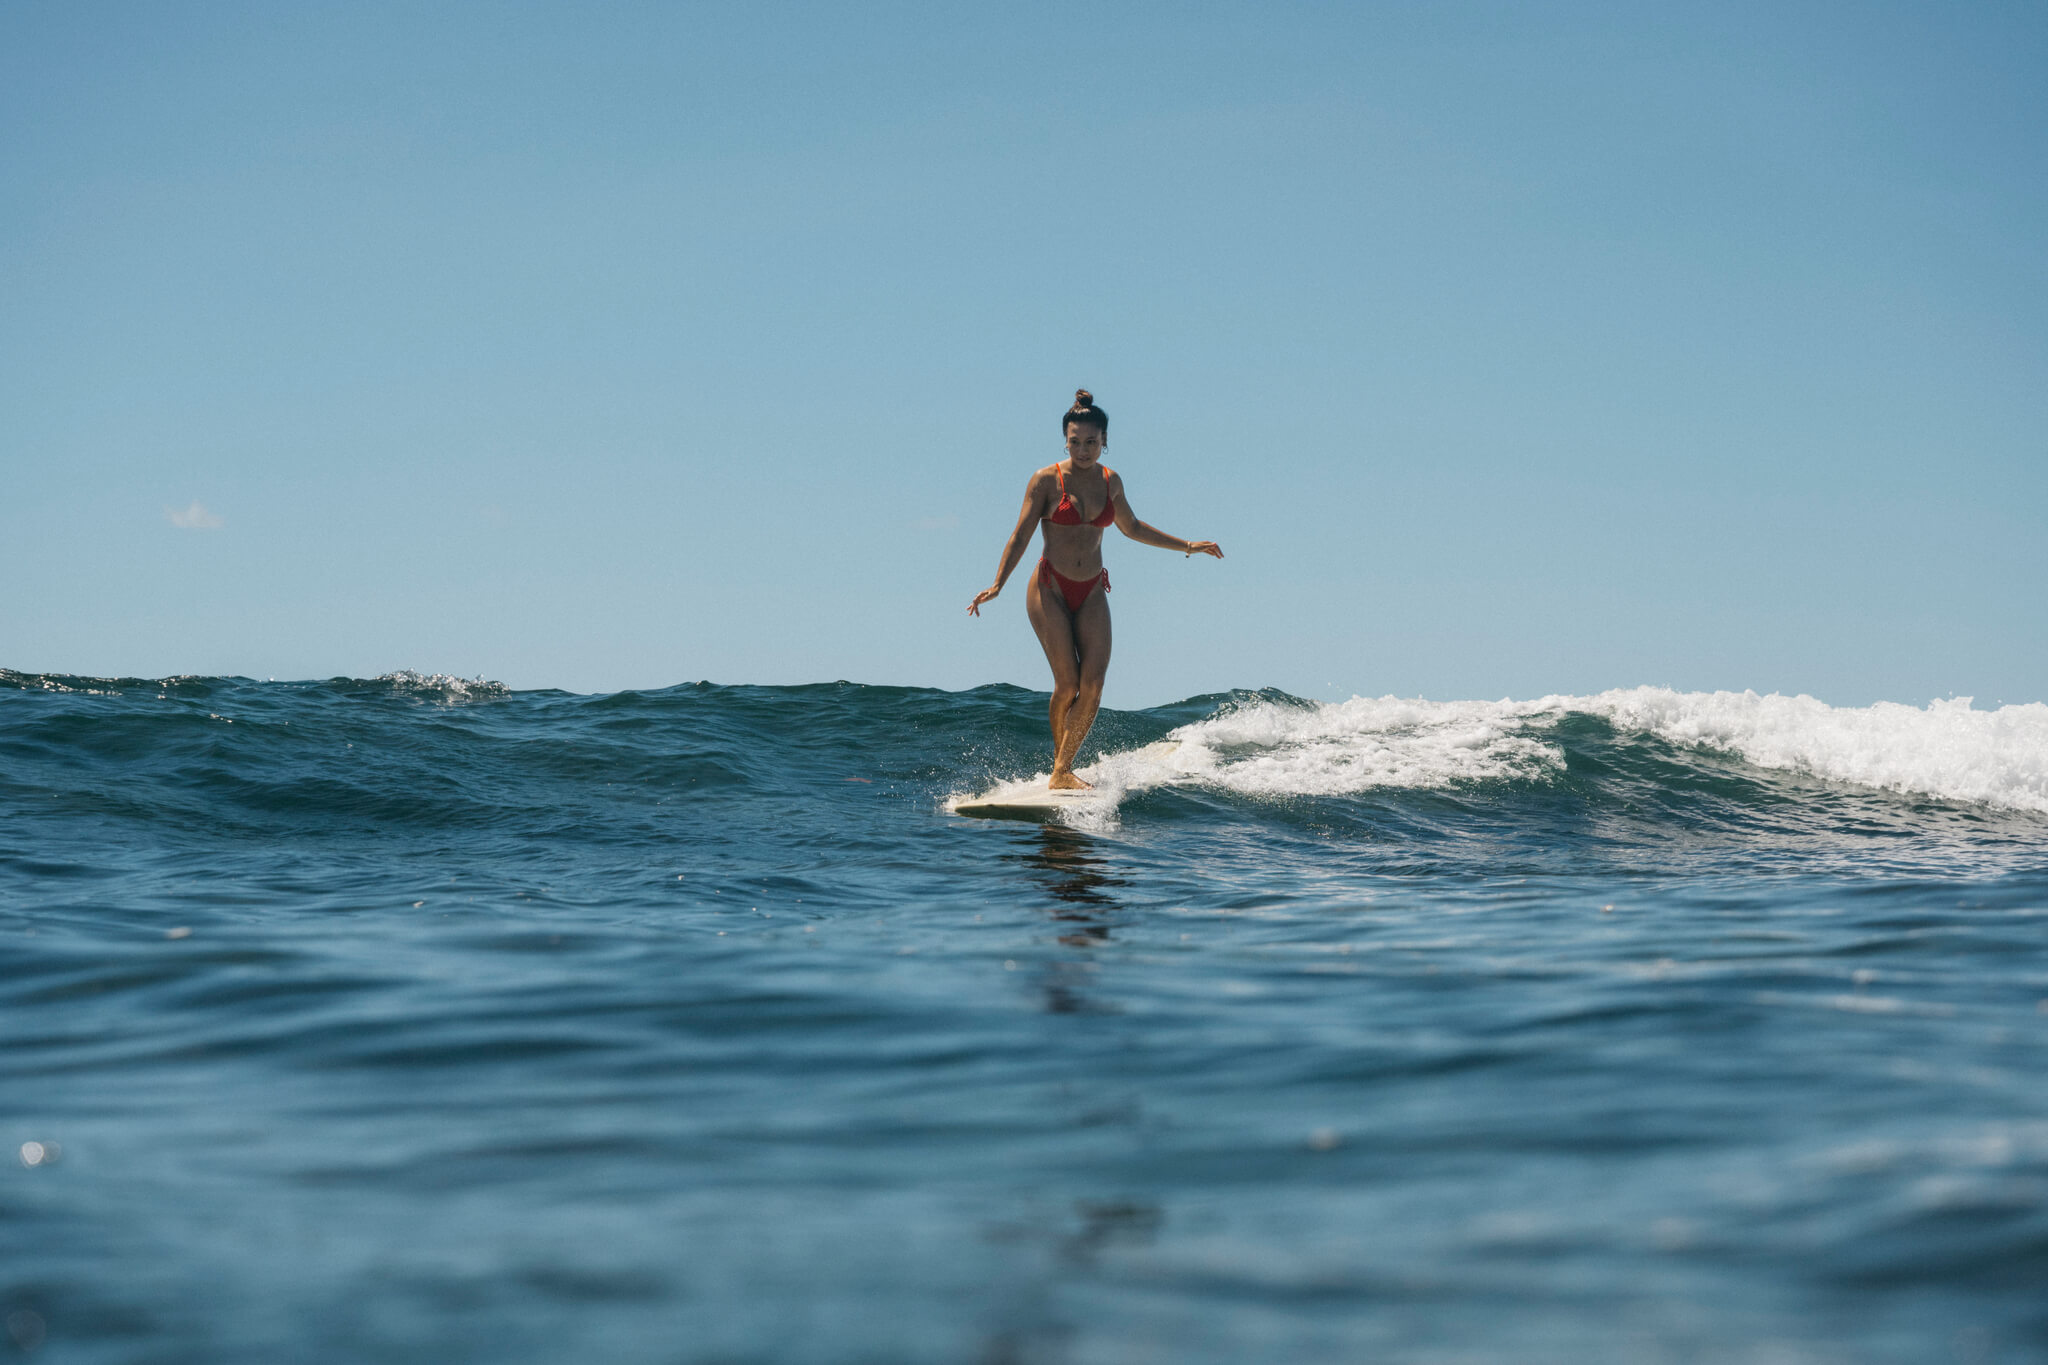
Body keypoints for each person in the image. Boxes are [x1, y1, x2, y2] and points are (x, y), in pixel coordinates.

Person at [968, 390, 1223, 789]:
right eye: (1075, 441)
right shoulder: (1046, 480)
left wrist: (1187, 545)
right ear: (1065, 441)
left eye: (1091, 442)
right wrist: (998, 583)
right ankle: (1062, 770)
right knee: (1067, 683)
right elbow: (1020, 535)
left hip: (1090, 590)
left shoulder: (1110, 481)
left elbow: (1133, 528)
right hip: (1050, 587)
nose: (1083, 450)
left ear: (1104, 441)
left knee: (1094, 685)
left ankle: (1061, 768)